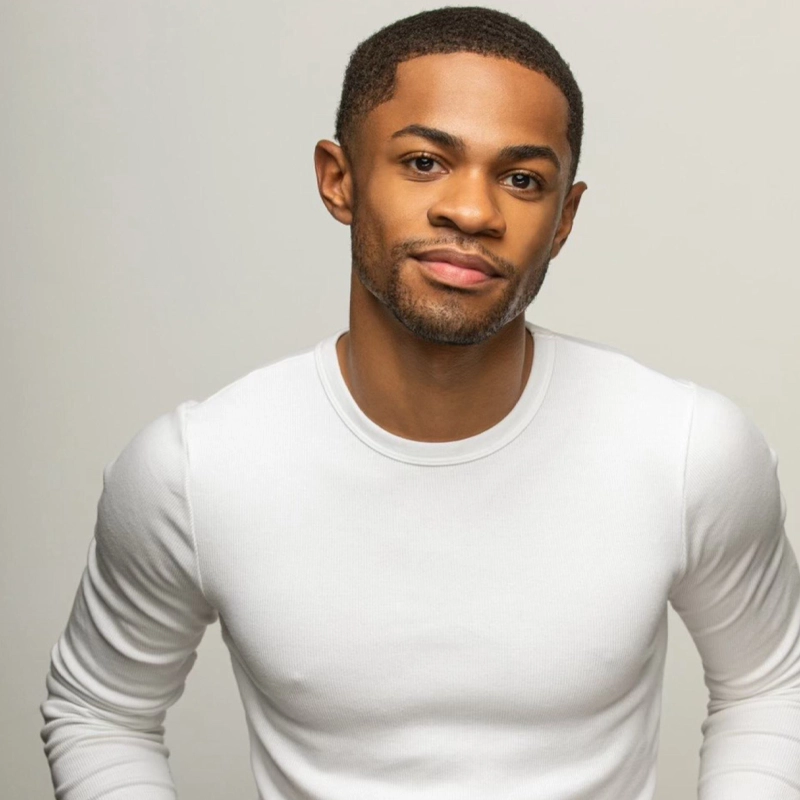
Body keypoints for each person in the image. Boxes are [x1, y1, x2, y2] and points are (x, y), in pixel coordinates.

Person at [40, 6, 800, 799]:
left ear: (564, 220)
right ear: (340, 179)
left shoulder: (684, 449)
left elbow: (771, 683)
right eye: (426, 162)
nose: (472, 212)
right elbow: (102, 710)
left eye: (522, 179)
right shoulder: (196, 469)